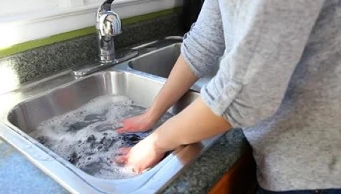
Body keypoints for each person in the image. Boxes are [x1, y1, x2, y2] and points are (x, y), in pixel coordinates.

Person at [115, 0, 341, 193]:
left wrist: (155, 144)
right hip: (285, 158)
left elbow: (247, 92)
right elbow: (204, 41)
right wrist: (152, 114)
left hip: (316, 169)